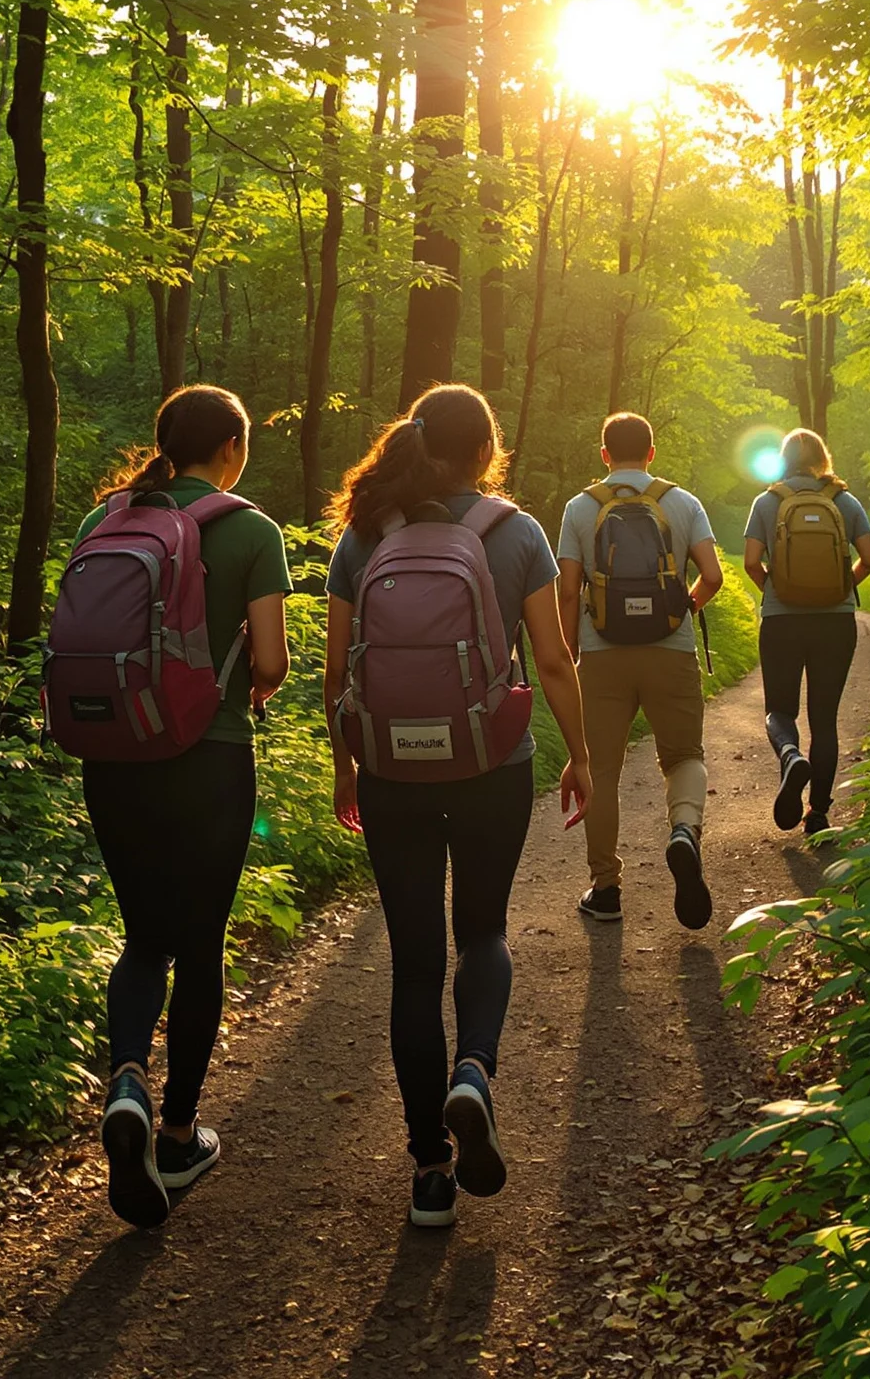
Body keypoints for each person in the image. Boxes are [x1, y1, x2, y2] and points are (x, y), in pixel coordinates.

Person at [322, 384, 594, 1229]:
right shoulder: (516, 533)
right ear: (487, 450)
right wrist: (579, 755)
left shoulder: (363, 532)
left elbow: (337, 677)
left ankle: (431, 1172)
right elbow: (550, 660)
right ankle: (474, 1072)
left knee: (413, 960)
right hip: (489, 761)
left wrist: (346, 768)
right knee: (483, 930)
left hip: (391, 771)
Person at [74, 386, 291, 1228]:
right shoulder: (250, 528)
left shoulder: (106, 522)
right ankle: (175, 1133)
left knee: (142, 939)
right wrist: (250, 684)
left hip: (114, 756)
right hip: (209, 759)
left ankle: (126, 1076)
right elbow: (269, 658)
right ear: (232, 446)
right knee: (200, 945)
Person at [556, 410, 723, 929]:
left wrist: (571, 654)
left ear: (603, 454)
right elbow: (712, 577)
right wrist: (680, 612)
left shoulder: (580, 509)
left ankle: (606, 890)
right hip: (670, 650)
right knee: (683, 755)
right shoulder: (682, 502)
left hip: (600, 654)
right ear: (652, 453)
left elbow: (565, 590)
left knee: (600, 770)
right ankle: (683, 832)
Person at [742, 428, 870, 838]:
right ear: (823, 458)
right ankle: (818, 813)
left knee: (779, 710)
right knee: (825, 719)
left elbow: (751, 561)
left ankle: (789, 756)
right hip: (835, 622)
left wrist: (778, 590)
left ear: (784, 459)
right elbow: (869, 559)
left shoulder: (767, 502)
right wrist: (840, 588)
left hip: (782, 621)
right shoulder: (845, 501)